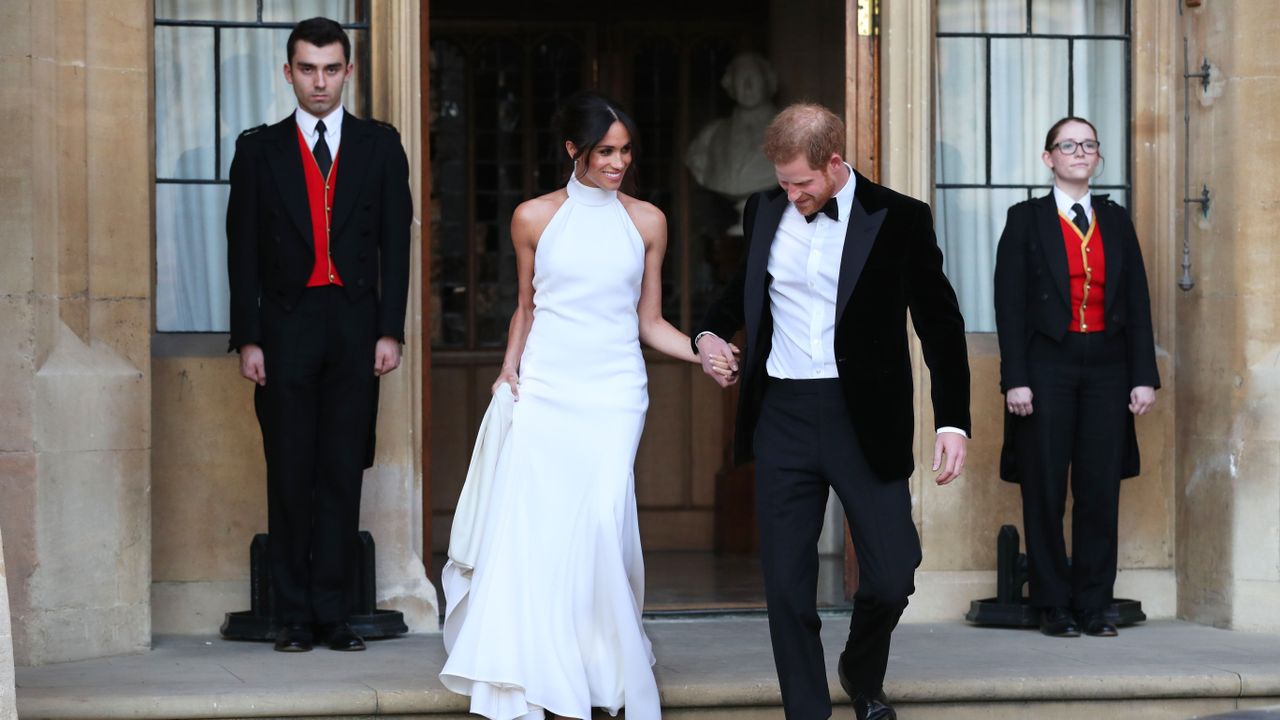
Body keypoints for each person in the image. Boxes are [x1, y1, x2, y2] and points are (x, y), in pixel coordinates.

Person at [438, 91, 733, 720]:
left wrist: (702, 349)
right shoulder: (532, 218)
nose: (618, 162)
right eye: (605, 151)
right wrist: (509, 364)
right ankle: (539, 664)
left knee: (601, 523)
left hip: (616, 393)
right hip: (547, 388)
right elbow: (527, 305)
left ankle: (602, 664)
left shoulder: (648, 221)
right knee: (541, 528)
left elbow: (649, 322)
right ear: (574, 149)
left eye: (625, 151)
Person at [693, 103, 971, 720]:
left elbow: (942, 326)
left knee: (893, 574)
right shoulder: (764, 209)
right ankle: (808, 712)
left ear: (836, 162)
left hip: (863, 417)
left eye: (802, 183)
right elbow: (736, 294)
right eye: (783, 182)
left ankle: (861, 669)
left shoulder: (900, 218)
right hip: (783, 413)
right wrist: (707, 337)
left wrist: (952, 420)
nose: (790, 195)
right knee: (788, 587)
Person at [225, 17, 412, 653]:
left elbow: (397, 245)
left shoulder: (381, 147)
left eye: (331, 68)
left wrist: (391, 330)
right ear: (288, 73)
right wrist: (248, 338)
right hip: (284, 327)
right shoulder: (258, 150)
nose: (320, 81)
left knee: (340, 469)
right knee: (289, 470)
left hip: (356, 328)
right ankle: (293, 616)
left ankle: (334, 615)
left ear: (348, 72)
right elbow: (241, 253)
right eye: (308, 69)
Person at [993, 116, 1159, 639]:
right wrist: (1015, 378)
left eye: (1089, 144)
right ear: (1049, 159)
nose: (1080, 152)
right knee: (1044, 487)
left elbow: (1136, 300)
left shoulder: (1115, 219)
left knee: (1099, 488)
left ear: (1097, 156)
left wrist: (1143, 376)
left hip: (1108, 368)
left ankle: (1092, 602)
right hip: (1047, 367)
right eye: (1068, 145)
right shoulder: (1025, 219)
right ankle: (1052, 603)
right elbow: (1009, 304)